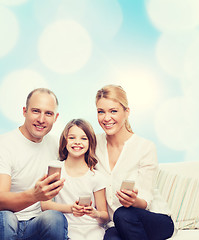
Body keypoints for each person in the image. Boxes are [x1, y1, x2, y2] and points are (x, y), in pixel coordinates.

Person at [0, 88, 68, 240]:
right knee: (6, 219)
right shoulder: (3, 146)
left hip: (33, 224)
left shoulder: (55, 144)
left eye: (48, 113)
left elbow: (84, 154)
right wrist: (34, 195)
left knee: (54, 218)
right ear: (24, 111)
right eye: (35, 111)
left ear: (56, 117)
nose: (41, 119)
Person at [95, 84, 175, 240]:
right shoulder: (93, 144)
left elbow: (145, 200)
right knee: (110, 237)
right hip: (116, 224)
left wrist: (134, 201)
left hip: (154, 219)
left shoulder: (145, 147)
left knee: (123, 214)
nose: (106, 118)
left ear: (127, 112)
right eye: (101, 112)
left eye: (113, 111)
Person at [41, 119, 109, 240]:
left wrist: (95, 213)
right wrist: (71, 209)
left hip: (92, 229)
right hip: (66, 228)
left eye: (83, 138)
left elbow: (104, 215)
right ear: (65, 141)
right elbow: (45, 205)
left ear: (90, 143)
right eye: (72, 138)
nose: (77, 142)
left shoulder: (96, 177)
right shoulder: (55, 168)